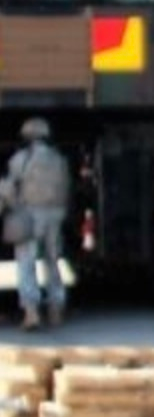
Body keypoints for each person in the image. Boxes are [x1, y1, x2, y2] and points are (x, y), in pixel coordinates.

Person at [5, 117, 71, 330]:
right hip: (56, 215)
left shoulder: (21, 159)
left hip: (30, 215)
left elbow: (9, 189)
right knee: (53, 261)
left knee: (27, 261)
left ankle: (31, 312)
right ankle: (56, 309)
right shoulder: (59, 159)